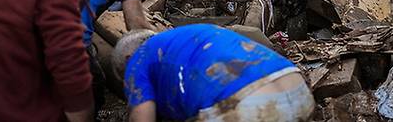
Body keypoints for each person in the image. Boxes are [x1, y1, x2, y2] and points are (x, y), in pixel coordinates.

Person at [113, 25, 315, 121]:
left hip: (248, 106)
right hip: (298, 89)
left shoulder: (137, 58)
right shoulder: (190, 35)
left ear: (127, 59)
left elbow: (143, 117)